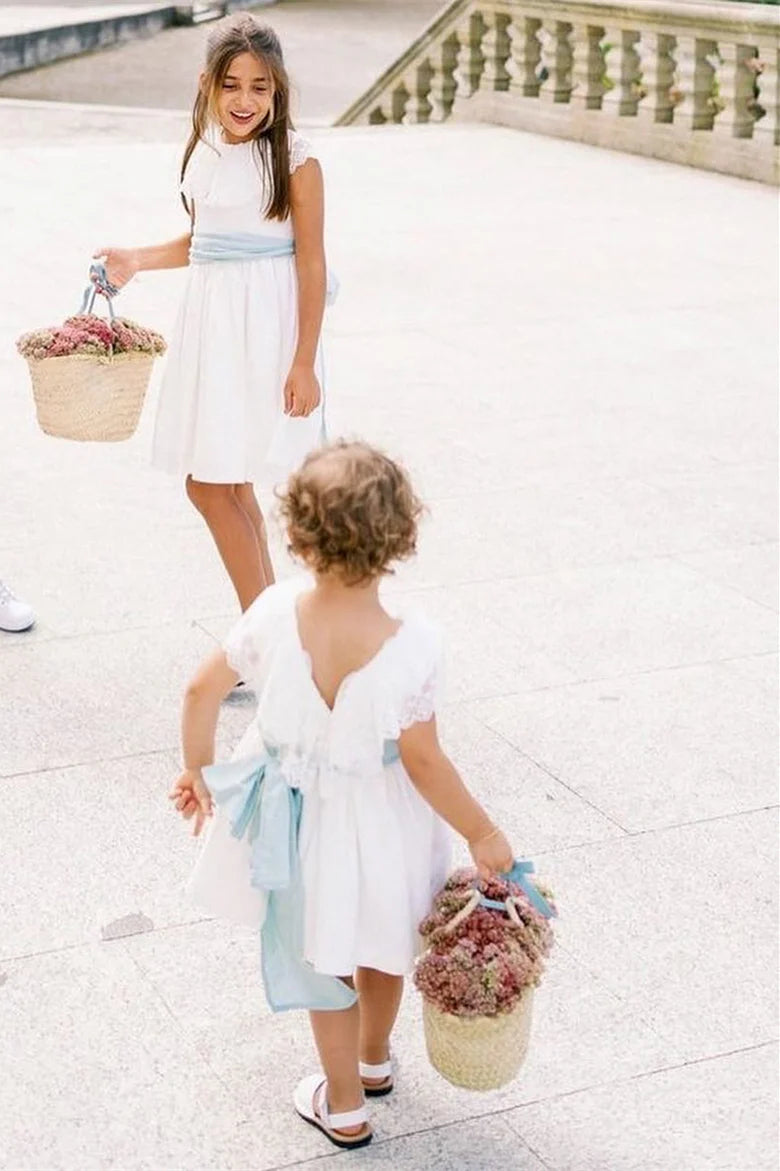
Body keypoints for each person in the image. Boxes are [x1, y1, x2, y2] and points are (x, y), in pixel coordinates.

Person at [169, 442, 514, 1151]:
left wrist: (198, 771)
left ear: (295, 534)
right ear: (401, 536)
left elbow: (200, 689)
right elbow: (423, 759)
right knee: (382, 941)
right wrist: (481, 831)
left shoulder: (270, 610)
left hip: (297, 822)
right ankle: (374, 1057)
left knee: (321, 956)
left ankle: (346, 1104)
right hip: (382, 819)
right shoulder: (414, 642)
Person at [94, 14, 327, 611]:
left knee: (209, 484)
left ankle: (263, 635)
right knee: (228, 480)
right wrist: (135, 259)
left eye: (259, 87)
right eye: (231, 85)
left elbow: (312, 266)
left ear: (278, 90)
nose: (245, 100)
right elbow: (204, 243)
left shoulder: (296, 162)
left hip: (264, 332)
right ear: (207, 85)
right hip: (214, 329)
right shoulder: (206, 152)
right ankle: (271, 628)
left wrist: (303, 362)